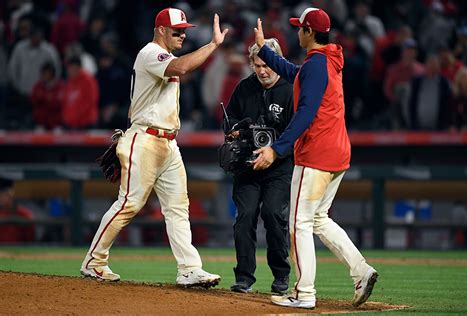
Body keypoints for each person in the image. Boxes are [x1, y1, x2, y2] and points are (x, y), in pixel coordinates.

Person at [80, 8, 228, 288]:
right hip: (145, 139)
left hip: (168, 143)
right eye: (177, 30)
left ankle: (189, 269)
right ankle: (94, 261)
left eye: (185, 30)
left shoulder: (167, 56)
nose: (183, 34)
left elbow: (179, 65)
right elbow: (182, 68)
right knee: (130, 203)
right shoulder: (149, 53)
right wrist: (212, 45)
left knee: (177, 207)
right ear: (161, 30)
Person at [251, 8, 378, 309]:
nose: (297, 32)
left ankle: (304, 293)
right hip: (337, 151)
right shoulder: (325, 61)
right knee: (319, 219)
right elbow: (295, 75)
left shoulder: (318, 64)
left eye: (300, 28)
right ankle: (361, 270)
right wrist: (265, 51)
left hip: (317, 153)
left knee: (300, 224)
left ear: (308, 32)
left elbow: (305, 112)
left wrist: (276, 148)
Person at [223, 38, 294, 294]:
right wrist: (231, 132)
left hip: (279, 165)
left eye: (267, 65)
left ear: (277, 63)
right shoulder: (244, 88)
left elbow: (298, 133)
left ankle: (281, 276)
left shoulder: (290, 90)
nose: (262, 71)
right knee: (244, 217)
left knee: (274, 215)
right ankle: (244, 278)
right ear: (251, 64)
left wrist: (275, 152)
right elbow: (229, 118)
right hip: (247, 165)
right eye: (257, 65)